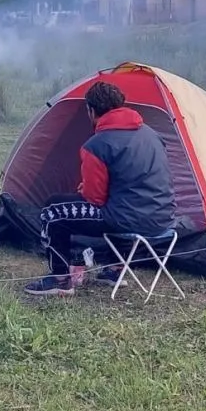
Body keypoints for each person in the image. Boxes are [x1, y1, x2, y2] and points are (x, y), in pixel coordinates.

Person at [24, 81, 178, 296]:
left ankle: (60, 279)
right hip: (164, 218)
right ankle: (114, 270)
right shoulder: (151, 134)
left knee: (53, 211)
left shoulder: (97, 144)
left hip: (128, 218)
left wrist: (86, 189)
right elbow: (133, 181)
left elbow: (94, 198)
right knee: (119, 202)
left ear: (91, 110)